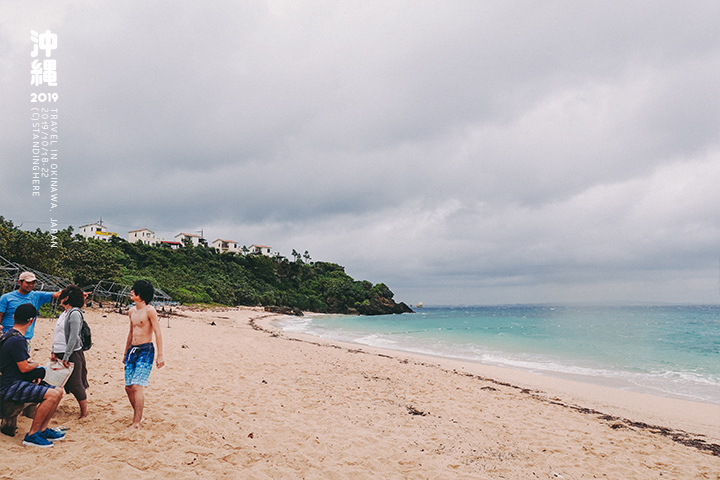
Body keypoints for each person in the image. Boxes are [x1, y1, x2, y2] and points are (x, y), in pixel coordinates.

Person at [0, 304, 65, 447]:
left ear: (13, 317)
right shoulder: (17, 340)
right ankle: (32, 435)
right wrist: (35, 365)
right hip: (9, 386)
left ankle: (42, 429)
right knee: (52, 395)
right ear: (32, 321)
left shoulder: (10, 335)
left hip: (12, 381)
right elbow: (24, 367)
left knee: (59, 391)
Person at [123, 280, 164, 429]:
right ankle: (139, 415)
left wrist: (160, 355)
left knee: (137, 386)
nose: (132, 292)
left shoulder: (149, 310)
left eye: (135, 290)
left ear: (142, 294)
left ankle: (136, 423)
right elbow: (131, 332)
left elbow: (158, 332)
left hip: (146, 350)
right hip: (132, 350)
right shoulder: (131, 311)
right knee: (128, 387)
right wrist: (125, 352)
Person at [50, 284, 89, 419]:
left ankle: (84, 413)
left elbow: (74, 337)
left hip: (72, 353)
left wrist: (67, 355)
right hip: (60, 351)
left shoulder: (75, 313)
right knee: (55, 381)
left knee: (76, 383)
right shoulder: (64, 313)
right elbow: (58, 334)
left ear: (66, 298)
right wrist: (54, 350)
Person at [0, 272, 62, 347]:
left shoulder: (37, 296)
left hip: (25, 338)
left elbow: (57, 294)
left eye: (33, 283)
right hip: (6, 336)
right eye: (28, 283)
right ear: (20, 282)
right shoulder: (6, 298)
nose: (31, 285)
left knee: (22, 358)